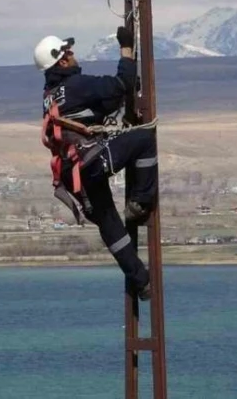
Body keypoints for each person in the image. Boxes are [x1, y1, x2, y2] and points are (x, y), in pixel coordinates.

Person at [34, 27, 159, 300]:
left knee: (108, 223)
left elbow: (92, 110)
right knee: (145, 139)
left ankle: (142, 282)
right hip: (90, 162)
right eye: (69, 52)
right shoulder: (75, 85)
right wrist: (126, 50)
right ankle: (140, 202)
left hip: (72, 174)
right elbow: (120, 84)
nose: (74, 55)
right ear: (62, 61)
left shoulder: (49, 97)